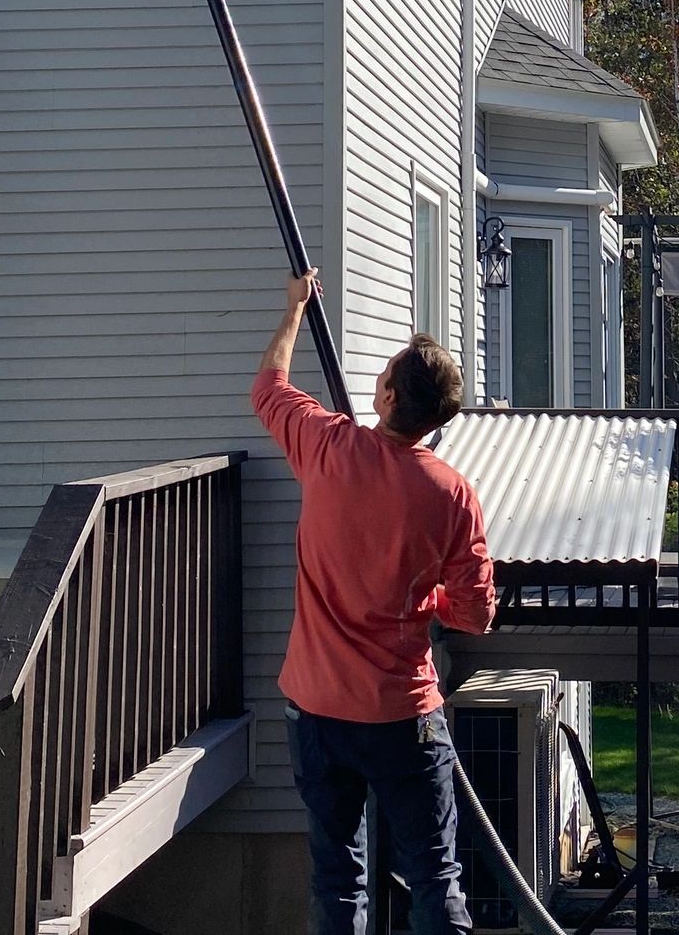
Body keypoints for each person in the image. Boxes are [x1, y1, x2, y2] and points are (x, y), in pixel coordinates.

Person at [252, 269, 495, 935]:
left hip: (317, 714)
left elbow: (269, 387)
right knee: (434, 877)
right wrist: (427, 600)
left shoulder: (327, 446)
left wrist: (296, 309)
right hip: (401, 719)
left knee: (337, 879)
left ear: (386, 394)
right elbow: (475, 613)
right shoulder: (451, 494)